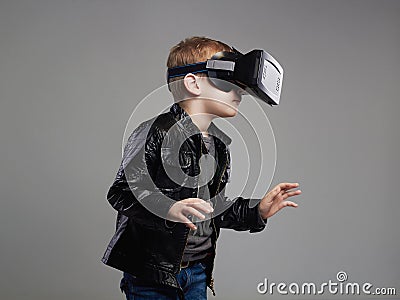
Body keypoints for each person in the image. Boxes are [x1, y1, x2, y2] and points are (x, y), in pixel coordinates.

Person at [101, 36, 302, 300]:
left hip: (197, 272)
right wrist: (168, 208)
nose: (238, 92)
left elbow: (213, 207)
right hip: (152, 274)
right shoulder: (155, 131)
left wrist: (257, 211)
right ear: (193, 83)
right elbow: (121, 192)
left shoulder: (219, 144)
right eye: (227, 82)